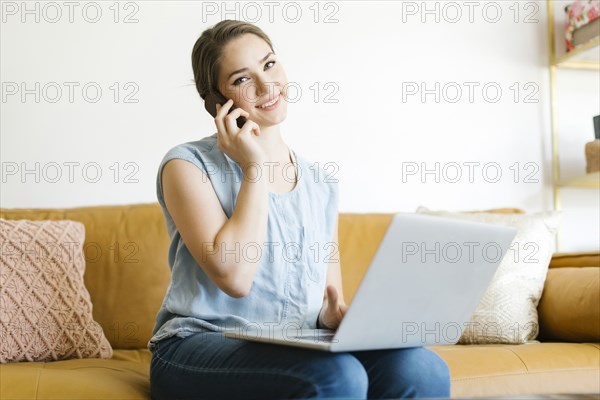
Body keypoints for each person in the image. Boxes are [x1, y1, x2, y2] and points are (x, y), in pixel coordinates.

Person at [148, 19, 451, 400]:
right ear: (216, 102)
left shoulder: (321, 184)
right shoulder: (187, 165)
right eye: (243, 79)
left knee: (422, 369)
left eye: (269, 64)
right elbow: (235, 277)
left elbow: (328, 299)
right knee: (334, 376)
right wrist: (254, 168)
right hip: (197, 347)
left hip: (295, 344)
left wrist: (335, 317)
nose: (266, 86)